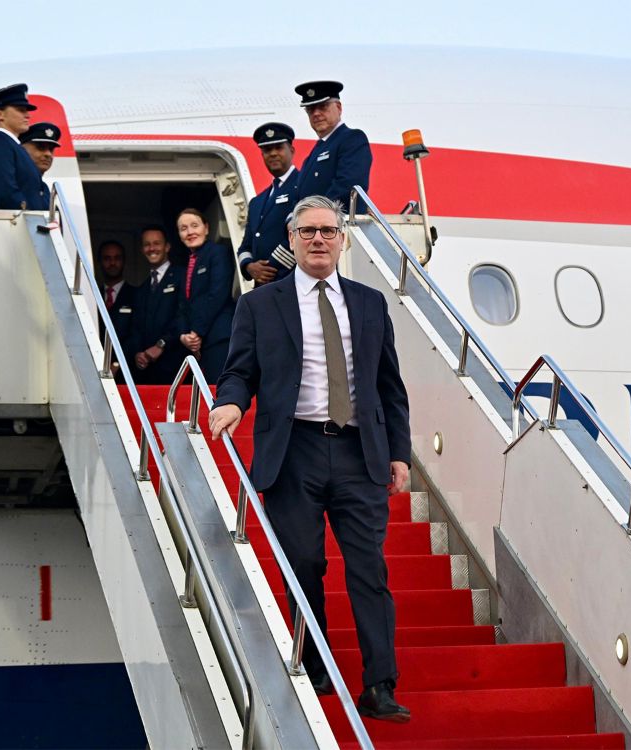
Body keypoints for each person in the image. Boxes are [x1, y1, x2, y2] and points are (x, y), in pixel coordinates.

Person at [208, 195, 411, 723]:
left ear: (342, 239)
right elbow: (240, 371)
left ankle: (380, 684)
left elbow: (389, 385)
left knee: (368, 568)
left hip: (359, 452)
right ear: (292, 240)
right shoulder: (260, 305)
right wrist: (231, 402)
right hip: (293, 451)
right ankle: (315, 664)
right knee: (304, 563)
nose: (318, 239)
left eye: (327, 231)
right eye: (307, 232)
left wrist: (400, 453)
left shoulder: (370, 304)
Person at [175, 208, 235, 383]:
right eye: (184, 228)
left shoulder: (218, 253)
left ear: (206, 228)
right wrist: (184, 335)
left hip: (218, 337)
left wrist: (196, 332)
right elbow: (182, 305)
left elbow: (217, 295)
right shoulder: (187, 264)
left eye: (195, 225)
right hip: (198, 342)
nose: (190, 232)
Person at [236, 122, 299, 286]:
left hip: (290, 282)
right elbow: (245, 247)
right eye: (267, 150)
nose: (273, 154)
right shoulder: (257, 202)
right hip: (262, 287)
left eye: (278, 148)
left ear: (291, 150)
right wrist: (249, 266)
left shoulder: (303, 185)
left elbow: (302, 233)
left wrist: (271, 268)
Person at [294, 81, 372, 210]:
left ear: (339, 108)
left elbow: (348, 184)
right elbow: (300, 194)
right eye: (311, 109)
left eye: (323, 106)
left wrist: (316, 214)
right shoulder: (313, 154)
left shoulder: (352, 139)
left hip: (337, 220)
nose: (316, 113)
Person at [129, 226, 188, 385]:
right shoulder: (142, 288)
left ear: (167, 247)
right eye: (147, 244)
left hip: (175, 367)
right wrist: (138, 353)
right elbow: (136, 327)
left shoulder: (182, 276)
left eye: (156, 243)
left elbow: (183, 315)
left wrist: (161, 344)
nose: (151, 248)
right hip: (146, 372)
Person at [0, 83, 45, 211]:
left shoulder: (10, 144)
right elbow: (5, 191)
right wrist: (29, 214)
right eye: (21, 109)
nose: (27, 115)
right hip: (12, 221)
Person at [97, 240, 136, 369]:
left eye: (117, 258)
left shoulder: (136, 295)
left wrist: (117, 364)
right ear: (99, 262)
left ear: (124, 261)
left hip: (127, 370)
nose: (112, 263)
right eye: (107, 258)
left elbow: (137, 335)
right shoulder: (91, 295)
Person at [20, 122, 61, 208]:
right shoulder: (13, 185)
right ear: (21, 149)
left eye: (51, 149)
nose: (48, 154)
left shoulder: (44, 189)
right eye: (41, 147)